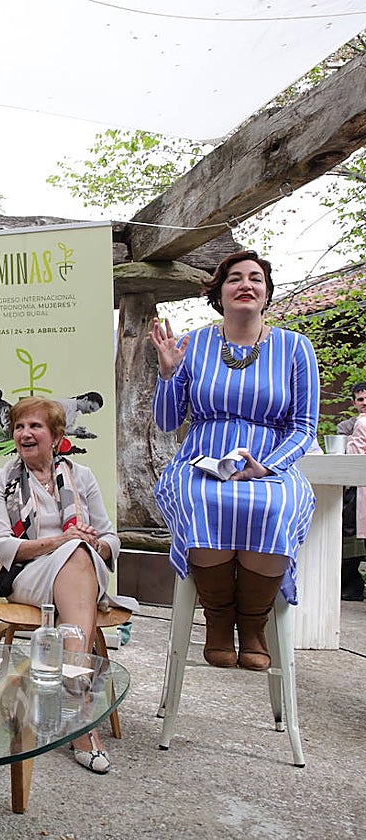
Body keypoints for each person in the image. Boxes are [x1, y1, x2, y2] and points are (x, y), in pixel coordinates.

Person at [150, 250, 318, 673]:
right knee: (199, 499)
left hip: (270, 465)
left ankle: (254, 621)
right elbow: (168, 420)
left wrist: (269, 466)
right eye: (235, 278)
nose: (246, 284)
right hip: (201, 458)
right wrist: (168, 373)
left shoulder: (296, 347)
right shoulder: (194, 343)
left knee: (276, 506)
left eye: (255, 279)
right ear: (219, 294)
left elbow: (304, 427)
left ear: (266, 294)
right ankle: (219, 618)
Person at [0, 396, 134, 775]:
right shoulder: (0, 480)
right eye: (19, 426)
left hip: (78, 570)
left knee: (82, 555)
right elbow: (2, 545)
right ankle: (80, 711)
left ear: (56, 435)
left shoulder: (81, 476)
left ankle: (73, 698)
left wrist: (93, 543)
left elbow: (111, 538)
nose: (25, 433)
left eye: (35, 426)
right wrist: (61, 541)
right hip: (29, 574)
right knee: (77, 554)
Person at [340, 382, 366, 600]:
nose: (364, 403)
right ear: (354, 402)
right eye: (360, 399)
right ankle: (351, 587)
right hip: (356, 489)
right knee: (351, 537)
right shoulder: (347, 426)